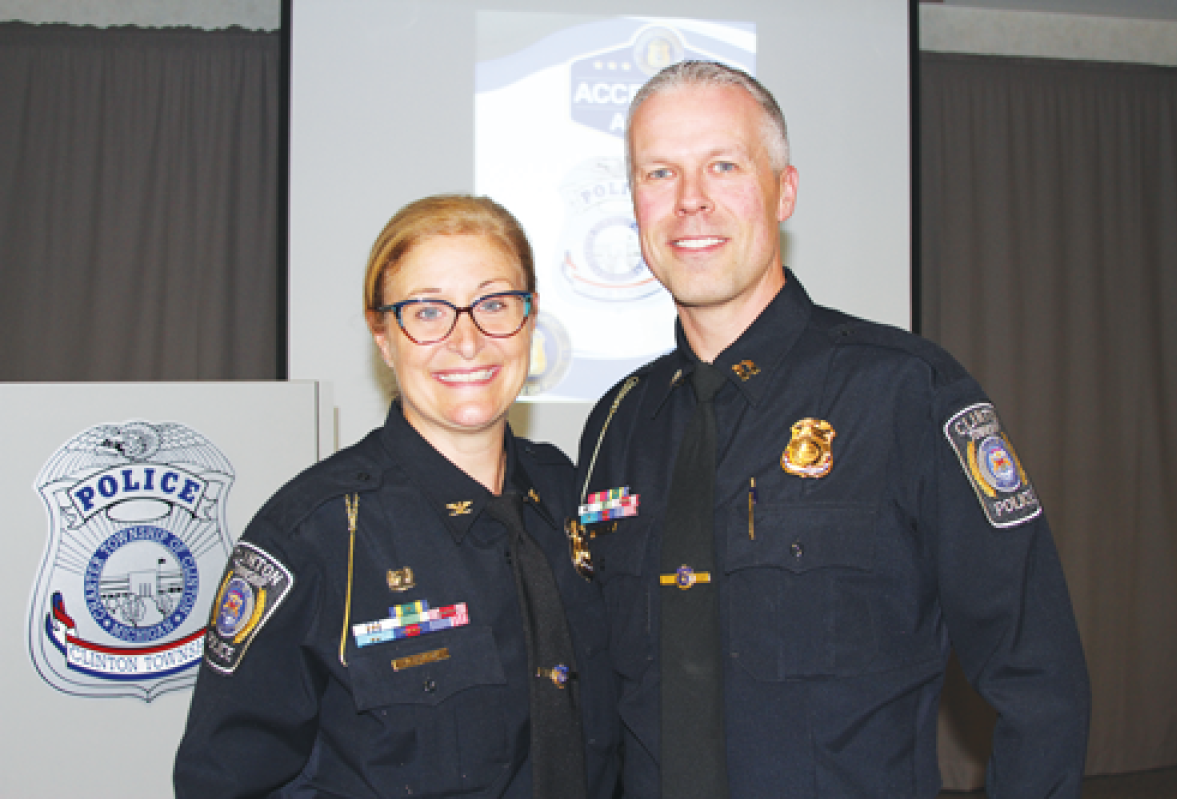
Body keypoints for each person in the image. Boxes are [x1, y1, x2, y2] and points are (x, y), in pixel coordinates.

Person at [572, 61, 1090, 797]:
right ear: (634, 201)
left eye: (723, 165)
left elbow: (1039, 679)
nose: (690, 201)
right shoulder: (615, 424)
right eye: (659, 173)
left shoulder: (909, 393)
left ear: (783, 190)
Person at [175, 195, 618, 798]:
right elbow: (226, 782)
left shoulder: (571, 496)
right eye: (428, 312)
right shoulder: (316, 532)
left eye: (493, 303)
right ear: (383, 335)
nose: (467, 340)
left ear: (530, 317)